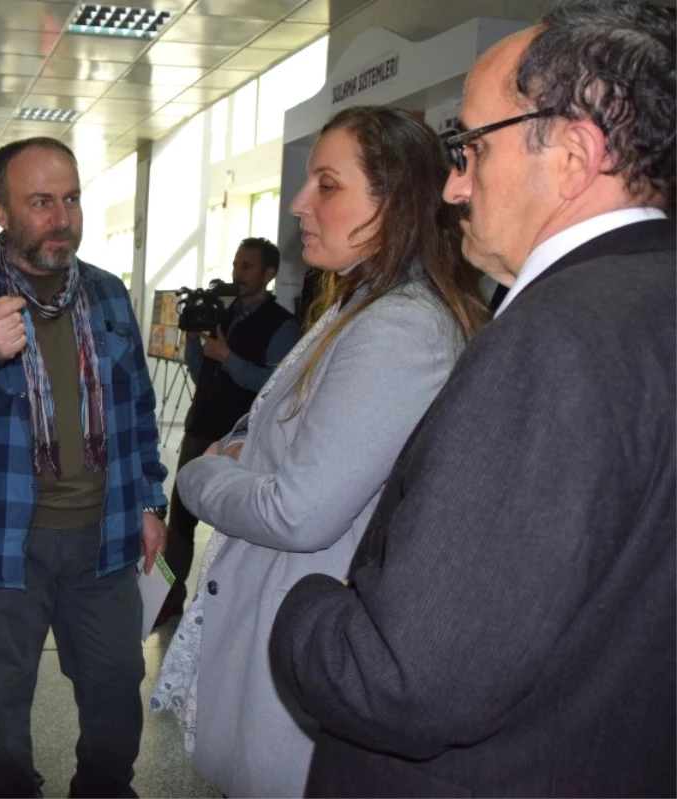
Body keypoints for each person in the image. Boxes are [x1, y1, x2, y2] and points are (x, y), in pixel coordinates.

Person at [271, 2, 677, 796]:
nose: (455, 186)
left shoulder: (551, 341)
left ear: (572, 155)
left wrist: (312, 611)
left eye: (470, 147)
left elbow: (403, 677)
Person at [150, 106, 488, 798]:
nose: (301, 204)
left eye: (327, 186)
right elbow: (285, 426)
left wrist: (198, 476)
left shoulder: (398, 328)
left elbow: (298, 510)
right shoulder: (359, 305)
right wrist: (250, 446)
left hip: (301, 645)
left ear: (393, 203)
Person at [0, 136, 168, 799]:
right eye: (40, 201)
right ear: (2, 212)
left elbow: (135, 407)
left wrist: (150, 500)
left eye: (70, 198)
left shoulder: (105, 294)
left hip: (102, 540)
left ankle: (101, 789)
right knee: (0, 703)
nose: (61, 216)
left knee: (115, 691)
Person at [160, 237, 300, 623]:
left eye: (248, 267)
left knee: (235, 528)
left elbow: (275, 387)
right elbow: (200, 371)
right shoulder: (221, 313)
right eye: (237, 264)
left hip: (244, 442)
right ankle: (167, 599)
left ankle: (226, 612)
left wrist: (228, 358)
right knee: (179, 524)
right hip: (200, 428)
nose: (238, 273)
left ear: (268, 274)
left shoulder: (283, 326)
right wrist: (194, 341)